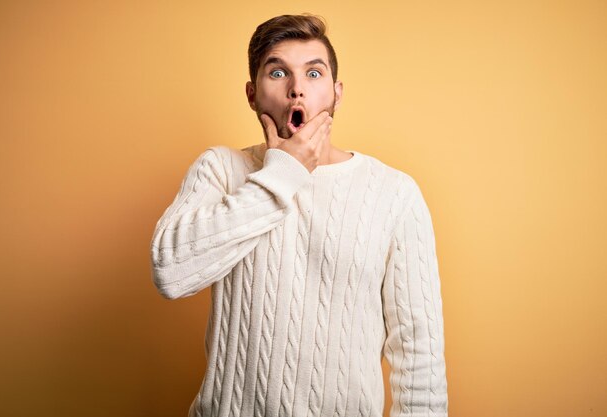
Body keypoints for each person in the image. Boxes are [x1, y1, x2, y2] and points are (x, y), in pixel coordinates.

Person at [150, 14, 448, 417]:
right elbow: (171, 273)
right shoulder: (219, 169)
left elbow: (419, 354)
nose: (296, 90)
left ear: (337, 94)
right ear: (253, 95)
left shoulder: (394, 193)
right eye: (278, 72)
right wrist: (283, 174)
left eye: (313, 72)